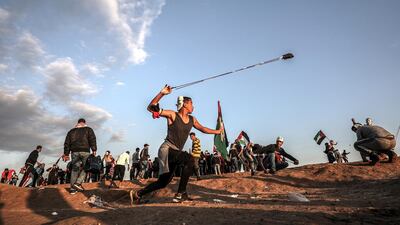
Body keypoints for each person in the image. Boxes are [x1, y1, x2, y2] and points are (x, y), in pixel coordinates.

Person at [130, 85, 223, 204]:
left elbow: (203, 129)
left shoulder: (192, 119)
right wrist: (162, 93)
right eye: (191, 103)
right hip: (167, 149)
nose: (193, 106)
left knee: (163, 182)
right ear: (185, 104)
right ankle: (181, 194)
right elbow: (151, 108)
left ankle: (137, 194)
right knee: (189, 159)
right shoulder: (173, 115)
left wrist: (218, 131)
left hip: (175, 152)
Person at [62, 118, 97, 194]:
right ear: (84, 123)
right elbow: (92, 139)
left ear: (78, 123)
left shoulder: (71, 131)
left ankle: (72, 189)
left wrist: (66, 154)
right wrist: (94, 149)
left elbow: (67, 143)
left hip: (74, 152)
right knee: (87, 168)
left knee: (75, 169)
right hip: (85, 151)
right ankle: (77, 183)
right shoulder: (88, 129)